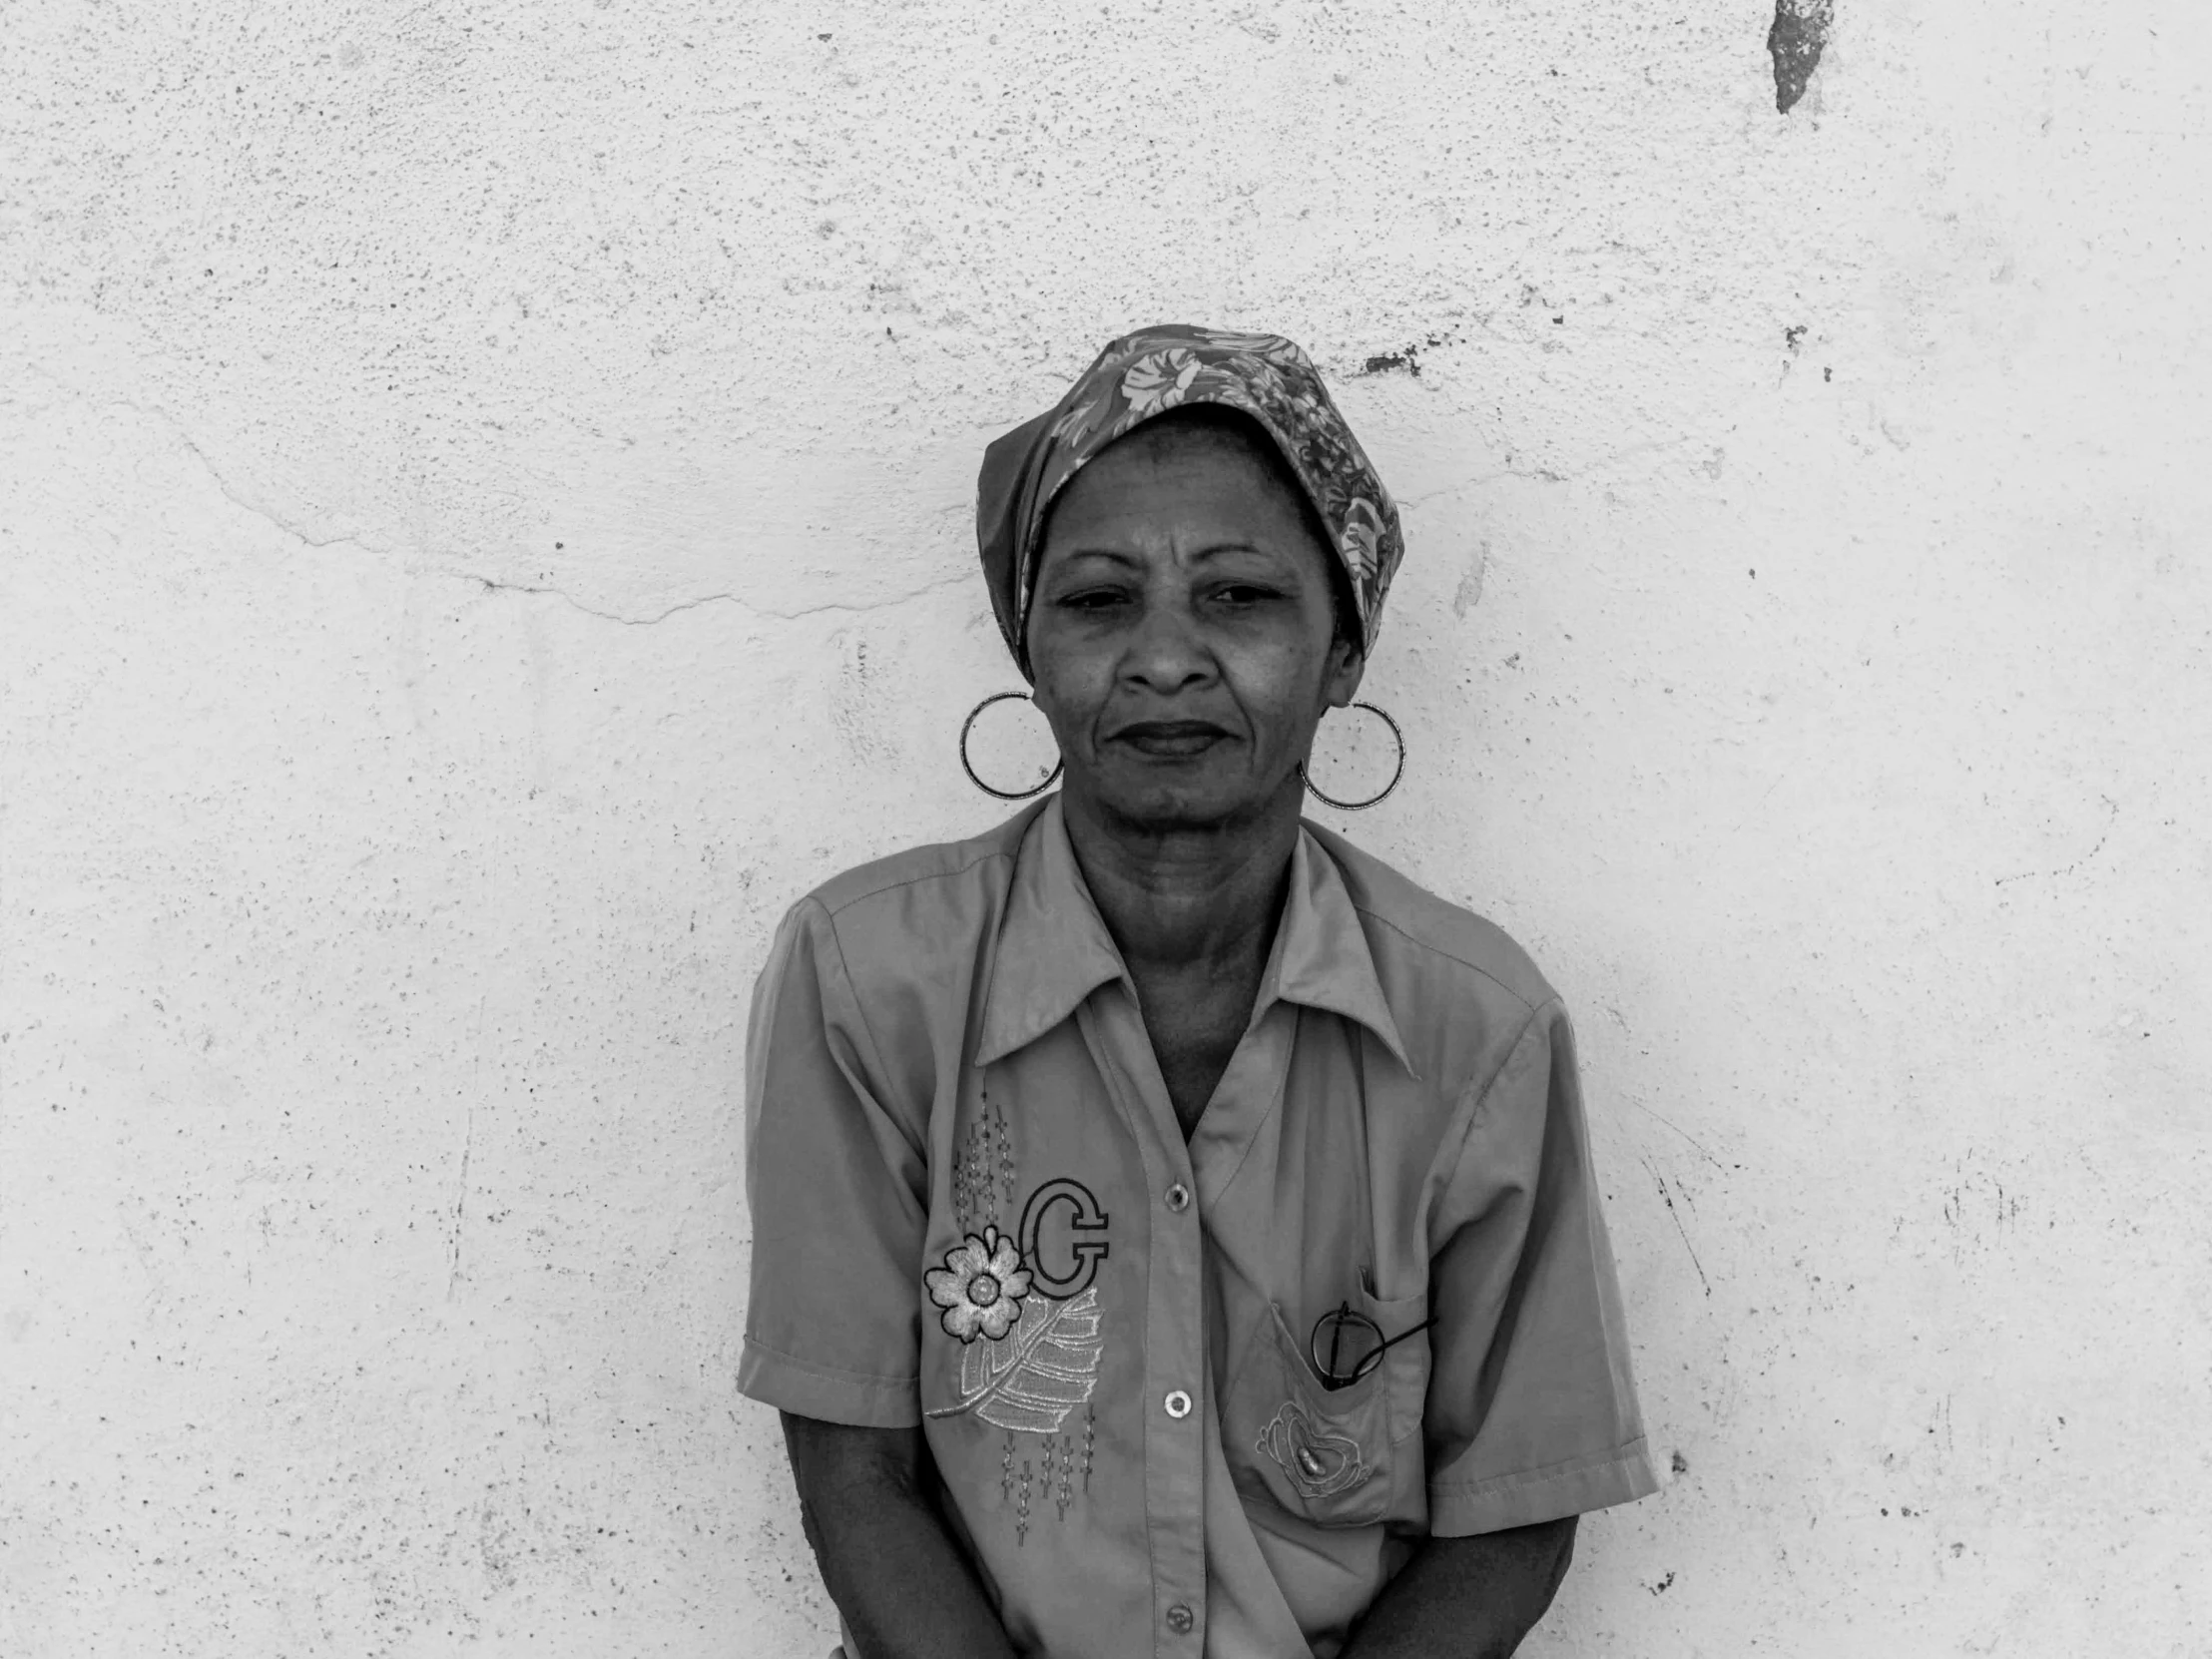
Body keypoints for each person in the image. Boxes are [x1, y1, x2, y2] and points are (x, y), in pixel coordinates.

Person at [739, 324, 1658, 1659]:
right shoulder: (868, 982)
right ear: (1028, 642)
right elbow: (855, 1478)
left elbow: (1511, 1513)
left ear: (1343, 649)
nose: (1165, 658)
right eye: (1102, 600)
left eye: (1237, 597)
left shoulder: (1478, 1028)